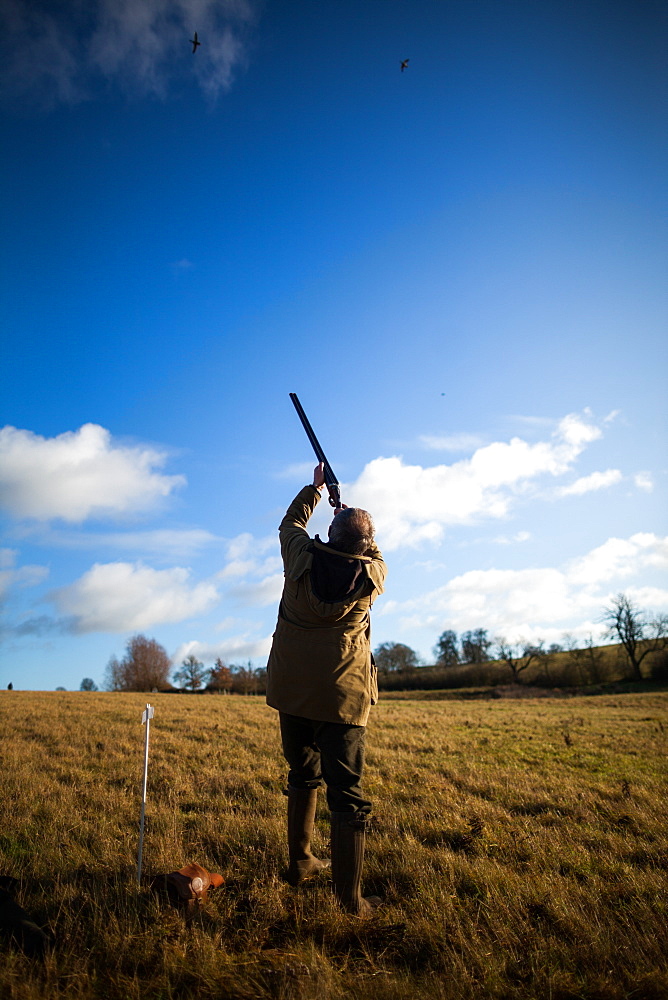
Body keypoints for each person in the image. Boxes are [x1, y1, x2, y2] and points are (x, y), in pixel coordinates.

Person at [266, 462, 387, 916]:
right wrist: (352, 519)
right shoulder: (373, 574)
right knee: (347, 794)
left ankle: (299, 862)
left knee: (302, 774)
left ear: (330, 534)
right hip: (342, 698)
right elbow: (371, 550)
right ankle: (350, 902)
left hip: (293, 692)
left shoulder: (297, 554)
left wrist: (318, 491)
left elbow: (291, 524)